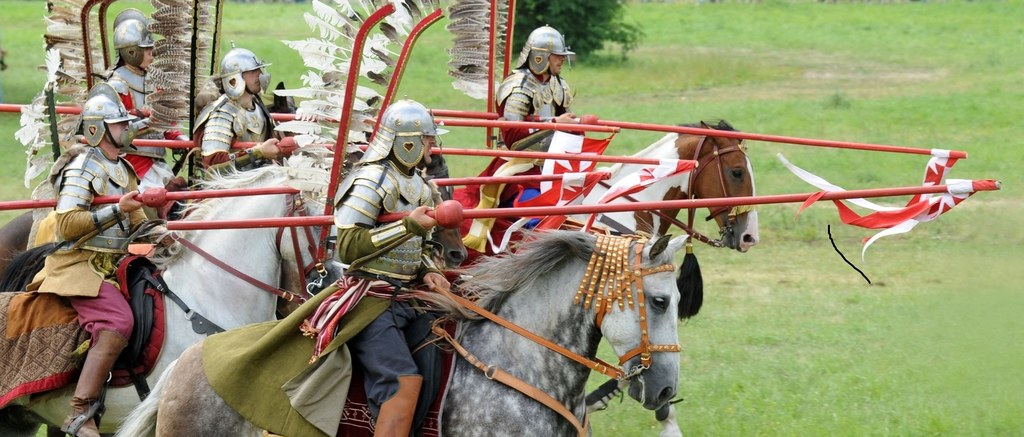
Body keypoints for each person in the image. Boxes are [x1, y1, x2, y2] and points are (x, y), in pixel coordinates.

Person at [26, 85, 153, 437]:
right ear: (97, 128)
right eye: (118, 124)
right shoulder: (84, 166)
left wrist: (161, 235)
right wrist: (116, 209)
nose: (126, 129)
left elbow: (138, 220)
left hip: (114, 264)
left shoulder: (123, 167)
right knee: (118, 321)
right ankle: (79, 411)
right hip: (78, 265)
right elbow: (67, 224)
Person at [329, 98, 450, 435]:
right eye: (427, 139)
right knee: (401, 381)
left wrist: (430, 270)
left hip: (407, 298)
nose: (432, 146)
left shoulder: (422, 186)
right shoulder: (371, 180)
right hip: (369, 301)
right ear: (406, 142)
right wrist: (406, 226)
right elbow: (349, 246)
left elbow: (421, 247)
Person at [461, 25, 581, 253]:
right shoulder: (519, 87)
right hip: (520, 168)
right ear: (540, 56)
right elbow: (514, 137)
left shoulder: (559, 85)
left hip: (552, 164)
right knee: (538, 214)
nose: (562, 61)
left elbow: (564, 126)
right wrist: (555, 124)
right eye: (557, 56)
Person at [105, 9, 187, 211]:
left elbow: (166, 121)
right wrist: (147, 120)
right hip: (130, 164)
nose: (152, 53)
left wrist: (178, 139)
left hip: (156, 163)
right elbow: (113, 130)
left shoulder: (154, 82)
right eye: (146, 49)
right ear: (131, 52)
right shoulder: (115, 87)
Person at [192, 47, 294, 175]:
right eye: (252, 71)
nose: (260, 74)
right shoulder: (223, 113)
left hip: (260, 177)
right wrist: (258, 153)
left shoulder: (258, 107)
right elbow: (213, 167)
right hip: (232, 186)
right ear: (235, 78)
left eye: (258, 69)